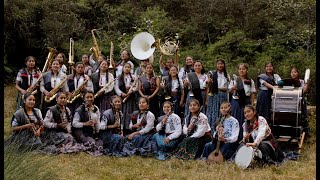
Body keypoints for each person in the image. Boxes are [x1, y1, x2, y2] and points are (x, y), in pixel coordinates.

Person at [228, 63, 256, 141]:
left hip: (246, 101)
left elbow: (252, 93)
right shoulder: (234, 80)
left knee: (245, 119)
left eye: (243, 69)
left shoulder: (250, 81)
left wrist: (252, 104)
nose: (241, 70)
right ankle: (235, 138)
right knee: (236, 118)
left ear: (246, 70)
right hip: (236, 101)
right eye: (240, 69)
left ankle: (244, 138)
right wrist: (233, 88)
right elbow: (229, 91)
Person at [72, 91, 103, 156]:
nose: (89, 99)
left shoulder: (96, 108)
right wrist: (85, 124)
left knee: (101, 142)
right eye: (87, 97)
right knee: (92, 143)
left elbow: (97, 122)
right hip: (82, 132)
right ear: (84, 99)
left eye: (91, 97)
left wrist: (98, 132)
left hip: (92, 132)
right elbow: (74, 124)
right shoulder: (80, 110)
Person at [206, 59, 230, 134]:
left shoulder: (227, 75)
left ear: (224, 65)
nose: (220, 65)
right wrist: (209, 82)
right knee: (214, 112)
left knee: (223, 112)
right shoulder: (212, 74)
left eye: (221, 64)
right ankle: (212, 131)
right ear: (216, 65)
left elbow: (229, 86)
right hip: (214, 95)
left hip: (224, 95)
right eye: (218, 64)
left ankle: (222, 130)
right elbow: (207, 86)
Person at [114, 62, 138, 135]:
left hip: (131, 98)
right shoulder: (118, 77)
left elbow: (136, 86)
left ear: (130, 69)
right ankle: (122, 128)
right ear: (123, 68)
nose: (127, 68)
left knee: (130, 113)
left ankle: (130, 129)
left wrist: (132, 91)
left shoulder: (134, 77)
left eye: (128, 67)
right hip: (122, 98)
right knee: (122, 112)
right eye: (125, 67)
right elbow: (116, 87)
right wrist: (121, 93)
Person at [290, 67, 311, 136]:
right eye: (292, 72)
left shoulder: (302, 81)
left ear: (298, 73)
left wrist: (307, 84)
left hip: (301, 101)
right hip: (292, 102)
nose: (293, 73)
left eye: (295, 72)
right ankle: (293, 132)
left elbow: (304, 91)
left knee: (303, 115)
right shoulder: (288, 82)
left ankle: (306, 132)